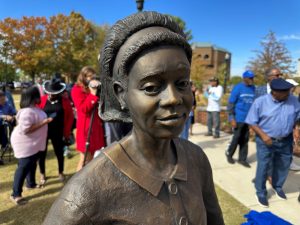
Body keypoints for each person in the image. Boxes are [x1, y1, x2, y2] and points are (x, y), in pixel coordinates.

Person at [43, 11, 224, 225]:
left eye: (182, 83)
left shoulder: (196, 159)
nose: (173, 99)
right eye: (151, 87)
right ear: (121, 94)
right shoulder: (86, 192)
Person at [245, 78, 300, 207]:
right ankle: (261, 192)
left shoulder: (293, 100)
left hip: (285, 140)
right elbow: (252, 121)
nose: (289, 93)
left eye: (289, 90)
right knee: (264, 166)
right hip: (266, 140)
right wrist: (264, 136)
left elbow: (297, 117)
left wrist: (296, 129)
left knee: (283, 165)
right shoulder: (261, 102)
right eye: (285, 91)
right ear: (275, 92)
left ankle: (277, 186)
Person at [10, 86, 52, 205]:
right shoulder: (27, 112)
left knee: (32, 163)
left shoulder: (34, 109)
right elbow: (25, 130)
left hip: (33, 143)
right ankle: (15, 194)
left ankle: (31, 184)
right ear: (34, 97)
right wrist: (45, 122)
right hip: (25, 143)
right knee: (23, 167)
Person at [37, 77, 74, 183]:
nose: (52, 94)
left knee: (59, 152)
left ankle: (60, 172)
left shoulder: (65, 101)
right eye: (50, 92)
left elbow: (70, 118)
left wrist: (67, 133)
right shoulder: (42, 100)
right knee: (42, 154)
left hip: (58, 131)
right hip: (44, 131)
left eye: (54, 93)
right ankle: (42, 174)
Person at [71, 66, 106, 171]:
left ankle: (87, 181)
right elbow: (83, 109)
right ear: (83, 77)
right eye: (89, 77)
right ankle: (76, 183)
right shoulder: (76, 90)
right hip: (86, 127)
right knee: (84, 158)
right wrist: (92, 94)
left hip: (95, 126)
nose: (91, 79)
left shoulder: (93, 88)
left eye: (93, 76)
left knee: (91, 159)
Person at [225, 70, 255, 167]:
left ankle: (242, 159)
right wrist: (231, 118)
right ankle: (229, 154)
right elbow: (230, 104)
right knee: (236, 138)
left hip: (248, 119)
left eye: (252, 77)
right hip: (238, 118)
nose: (252, 79)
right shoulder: (238, 88)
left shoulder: (253, 88)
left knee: (245, 139)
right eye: (250, 78)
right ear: (244, 78)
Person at [285, 78, 300, 171]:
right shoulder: (282, 97)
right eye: (293, 86)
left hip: (291, 125)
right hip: (284, 127)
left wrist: (296, 128)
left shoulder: (293, 98)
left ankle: (289, 163)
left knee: (289, 145)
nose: (294, 88)